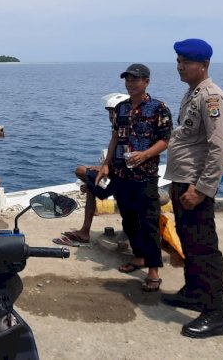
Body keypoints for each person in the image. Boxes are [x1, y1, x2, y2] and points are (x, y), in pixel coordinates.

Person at [161, 39, 223, 338]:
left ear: (203, 65)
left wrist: (201, 189)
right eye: (178, 60)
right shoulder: (192, 94)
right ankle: (193, 291)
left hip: (194, 186)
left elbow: (219, 147)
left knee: (203, 248)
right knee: (188, 242)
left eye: (185, 62)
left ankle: (215, 314)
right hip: (181, 180)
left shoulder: (212, 97)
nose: (179, 66)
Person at [95, 64, 172, 293]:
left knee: (149, 222)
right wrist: (106, 164)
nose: (130, 83)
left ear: (146, 81)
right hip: (121, 173)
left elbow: (165, 140)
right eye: (127, 79)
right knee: (128, 219)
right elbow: (115, 138)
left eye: (135, 79)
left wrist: (145, 155)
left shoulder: (159, 108)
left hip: (145, 175)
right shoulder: (121, 108)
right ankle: (138, 257)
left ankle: (153, 271)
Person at [57, 92, 129, 246]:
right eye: (110, 112)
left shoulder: (127, 131)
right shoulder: (118, 129)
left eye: (115, 111)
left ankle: (85, 231)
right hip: (117, 176)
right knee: (89, 182)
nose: (112, 115)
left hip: (124, 179)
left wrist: (102, 169)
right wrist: (102, 168)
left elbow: (125, 161)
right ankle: (84, 231)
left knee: (82, 171)